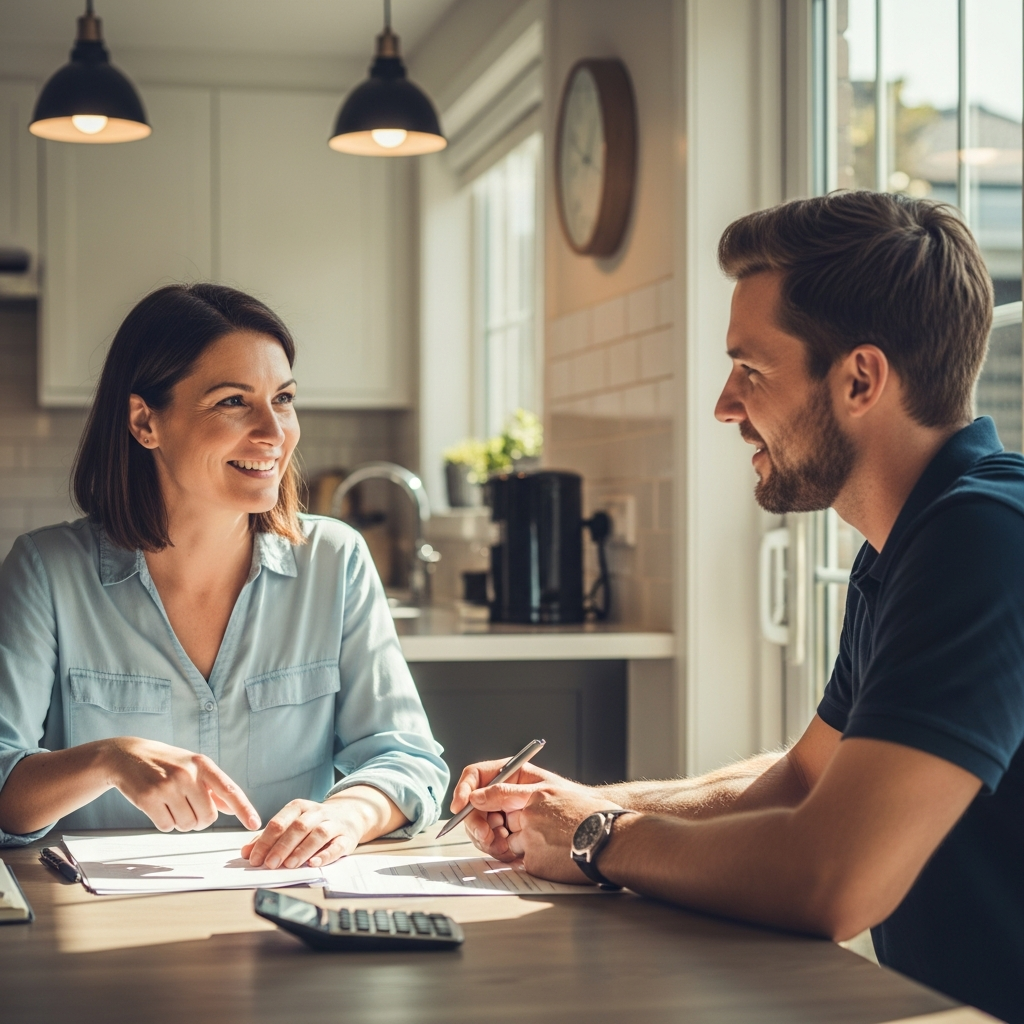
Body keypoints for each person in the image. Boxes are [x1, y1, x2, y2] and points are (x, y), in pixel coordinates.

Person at [451, 192, 1023, 1024]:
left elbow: (833, 880)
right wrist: (574, 806)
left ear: (860, 378)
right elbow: (803, 777)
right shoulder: (906, 546)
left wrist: (602, 838)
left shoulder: (983, 540)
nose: (726, 405)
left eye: (751, 370)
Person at [0, 283, 448, 871]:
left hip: (286, 915)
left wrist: (347, 814)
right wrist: (106, 759)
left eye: (282, 398)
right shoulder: (45, 570)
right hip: (92, 927)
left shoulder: (335, 560)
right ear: (144, 422)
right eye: (234, 401)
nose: (273, 431)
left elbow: (408, 758)